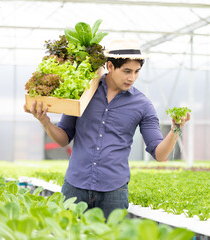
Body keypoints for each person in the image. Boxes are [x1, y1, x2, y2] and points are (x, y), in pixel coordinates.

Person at [24, 39, 191, 220]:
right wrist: (45, 121)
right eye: (127, 71)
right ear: (110, 66)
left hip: (113, 192)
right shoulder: (83, 93)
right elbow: (64, 138)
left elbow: (159, 154)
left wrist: (176, 129)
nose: (132, 78)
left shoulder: (143, 105)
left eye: (136, 72)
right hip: (75, 185)